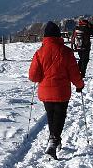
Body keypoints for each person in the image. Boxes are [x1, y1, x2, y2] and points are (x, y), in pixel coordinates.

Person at [29, 21, 85, 159]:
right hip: (61, 92)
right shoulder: (66, 52)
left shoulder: (40, 52)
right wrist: (79, 85)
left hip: (45, 92)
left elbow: (33, 76)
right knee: (59, 117)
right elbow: (74, 73)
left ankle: (54, 140)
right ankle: (53, 141)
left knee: (51, 117)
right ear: (58, 35)